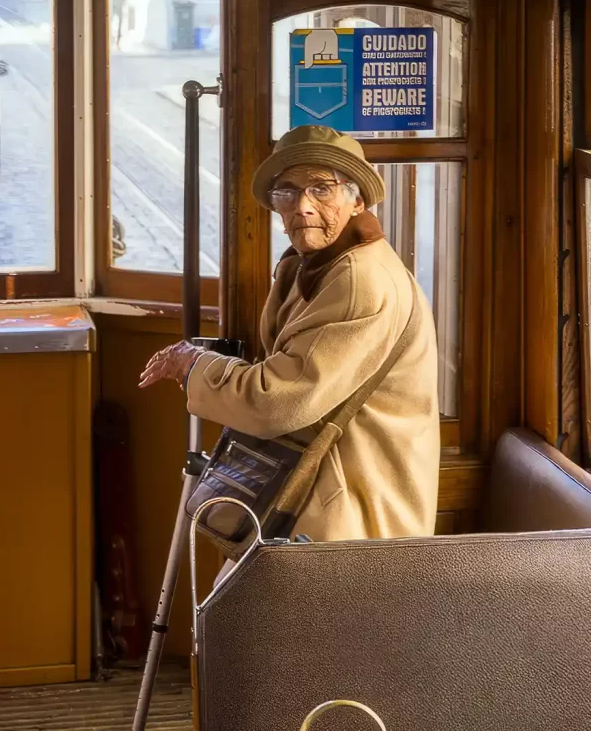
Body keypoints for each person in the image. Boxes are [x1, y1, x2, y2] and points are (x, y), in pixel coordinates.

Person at [139, 125, 440, 544]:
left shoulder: (358, 280)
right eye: (287, 192)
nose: (303, 206)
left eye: (322, 189)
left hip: (350, 515)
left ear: (357, 200)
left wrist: (194, 365)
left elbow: (275, 402)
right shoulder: (312, 266)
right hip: (321, 500)